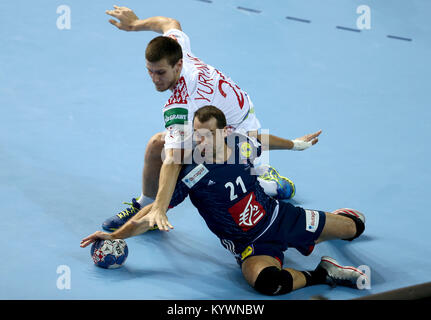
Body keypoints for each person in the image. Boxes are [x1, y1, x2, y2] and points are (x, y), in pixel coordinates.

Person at [81, 106, 367, 296]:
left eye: (207, 136)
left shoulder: (239, 144)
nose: (200, 142)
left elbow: (262, 139)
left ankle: (318, 231)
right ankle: (323, 273)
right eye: (197, 135)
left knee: (356, 226)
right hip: (252, 247)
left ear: (224, 132)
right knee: (269, 284)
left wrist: (297, 144)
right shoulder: (191, 175)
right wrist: (117, 234)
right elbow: (151, 214)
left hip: (281, 218)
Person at [101, 6, 322, 232]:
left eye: (160, 73)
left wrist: (161, 206)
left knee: (198, 177)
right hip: (232, 120)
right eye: (150, 71)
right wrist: (135, 25)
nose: (155, 79)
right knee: (157, 144)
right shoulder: (179, 50)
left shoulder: (182, 104)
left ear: (177, 66)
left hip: (237, 139)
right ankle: (144, 205)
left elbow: (173, 160)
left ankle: (270, 185)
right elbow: (169, 22)